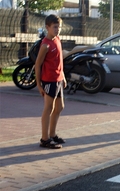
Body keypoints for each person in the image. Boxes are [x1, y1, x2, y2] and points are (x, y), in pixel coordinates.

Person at [35, 14, 66, 149]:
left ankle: (52, 134)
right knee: (49, 108)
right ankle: (44, 139)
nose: (57, 29)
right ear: (47, 27)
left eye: (59, 26)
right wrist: (39, 85)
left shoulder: (57, 39)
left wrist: (63, 76)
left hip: (58, 79)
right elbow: (37, 65)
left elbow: (59, 60)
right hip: (49, 81)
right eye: (54, 27)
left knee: (60, 107)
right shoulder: (45, 45)